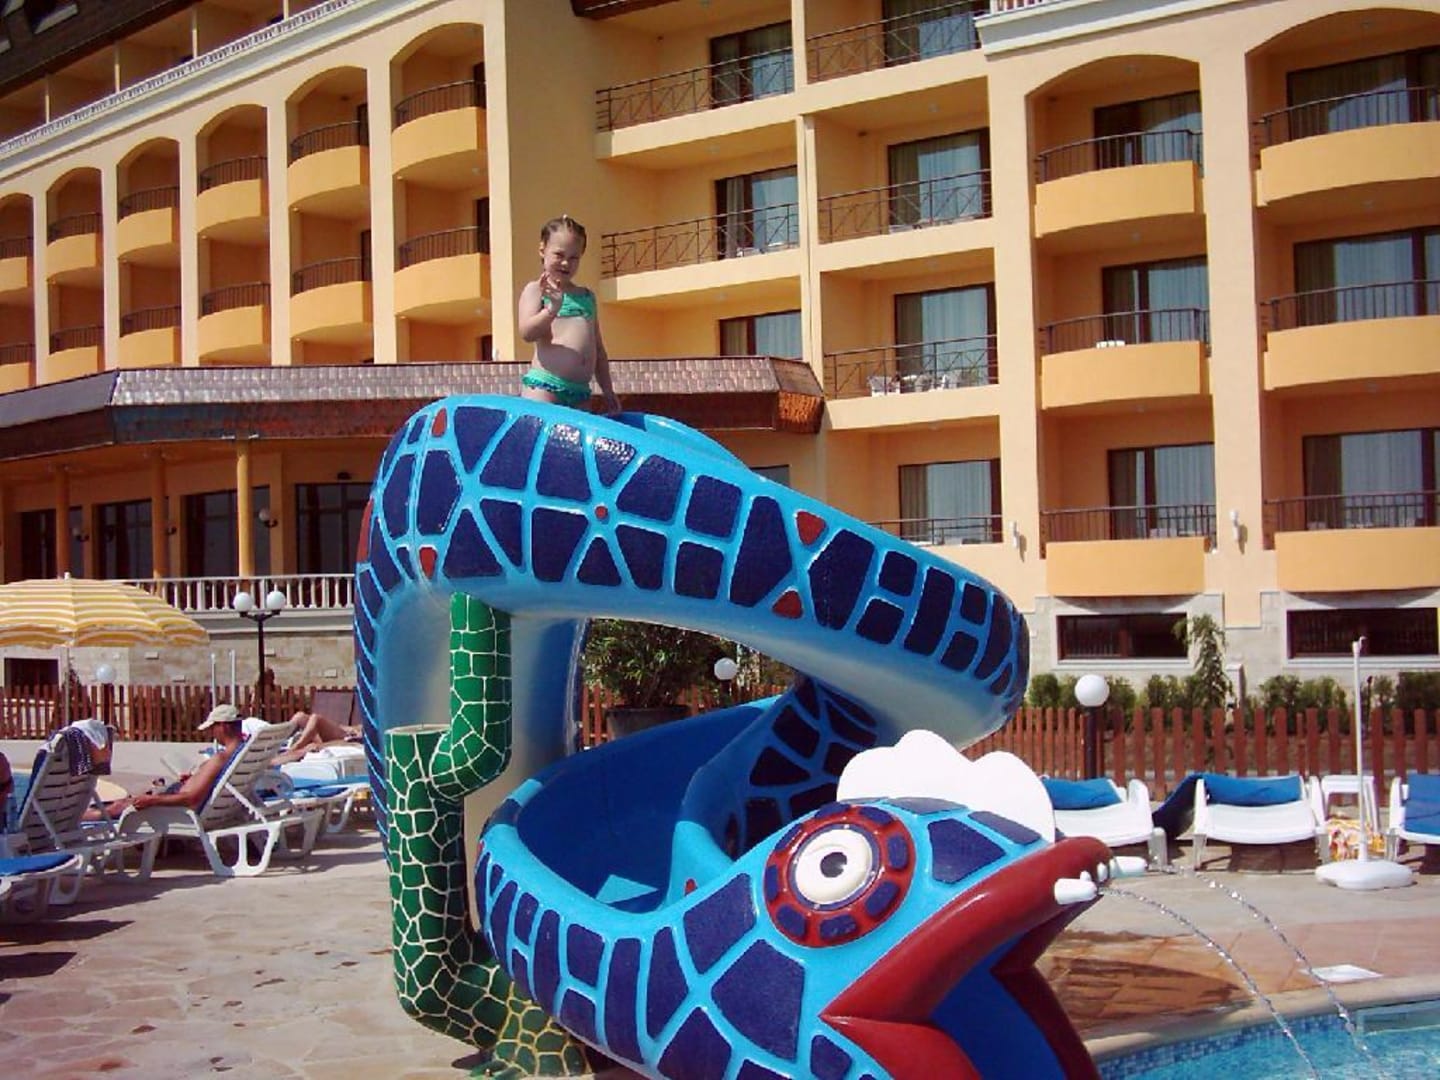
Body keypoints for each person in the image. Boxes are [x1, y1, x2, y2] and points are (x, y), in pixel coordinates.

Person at [517, 214, 621, 415]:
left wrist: (607, 390)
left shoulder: (586, 296)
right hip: (545, 388)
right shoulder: (536, 290)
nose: (566, 263)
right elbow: (527, 333)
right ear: (542, 250)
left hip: (580, 393)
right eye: (559, 255)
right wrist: (551, 310)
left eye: (574, 258)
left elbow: (598, 350)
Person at [96, 703, 246, 818]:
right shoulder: (240, 754)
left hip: (178, 810)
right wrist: (194, 778)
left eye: (212, 728)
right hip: (184, 803)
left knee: (118, 806)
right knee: (124, 802)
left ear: (223, 726)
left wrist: (152, 800)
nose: (212, 733)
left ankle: (85, 821)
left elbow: (192, 798)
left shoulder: (219, 758)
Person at [268, 709, 362, 765]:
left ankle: (292, 749)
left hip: (352, 741)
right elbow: (360, 727)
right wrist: (350, 729)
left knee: (316, 719)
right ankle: (272, 743)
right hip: (351, 734)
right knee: (300, 716)